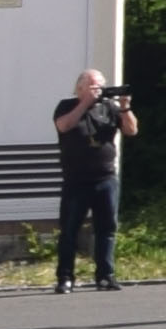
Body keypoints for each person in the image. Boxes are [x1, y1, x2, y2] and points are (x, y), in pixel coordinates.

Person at [53, 70, 132, 291]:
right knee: (69, 230)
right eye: (92, 86)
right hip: (76, 180)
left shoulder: (110, 108)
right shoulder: (66, 106)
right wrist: (84, 104)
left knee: (106, 228)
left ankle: (105, 275)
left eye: (100, 86)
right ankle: (65, 277)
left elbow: (131, 130)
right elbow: (63, 126)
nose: (97, 90)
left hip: (105, 178)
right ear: (79, 88)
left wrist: (125, 107)